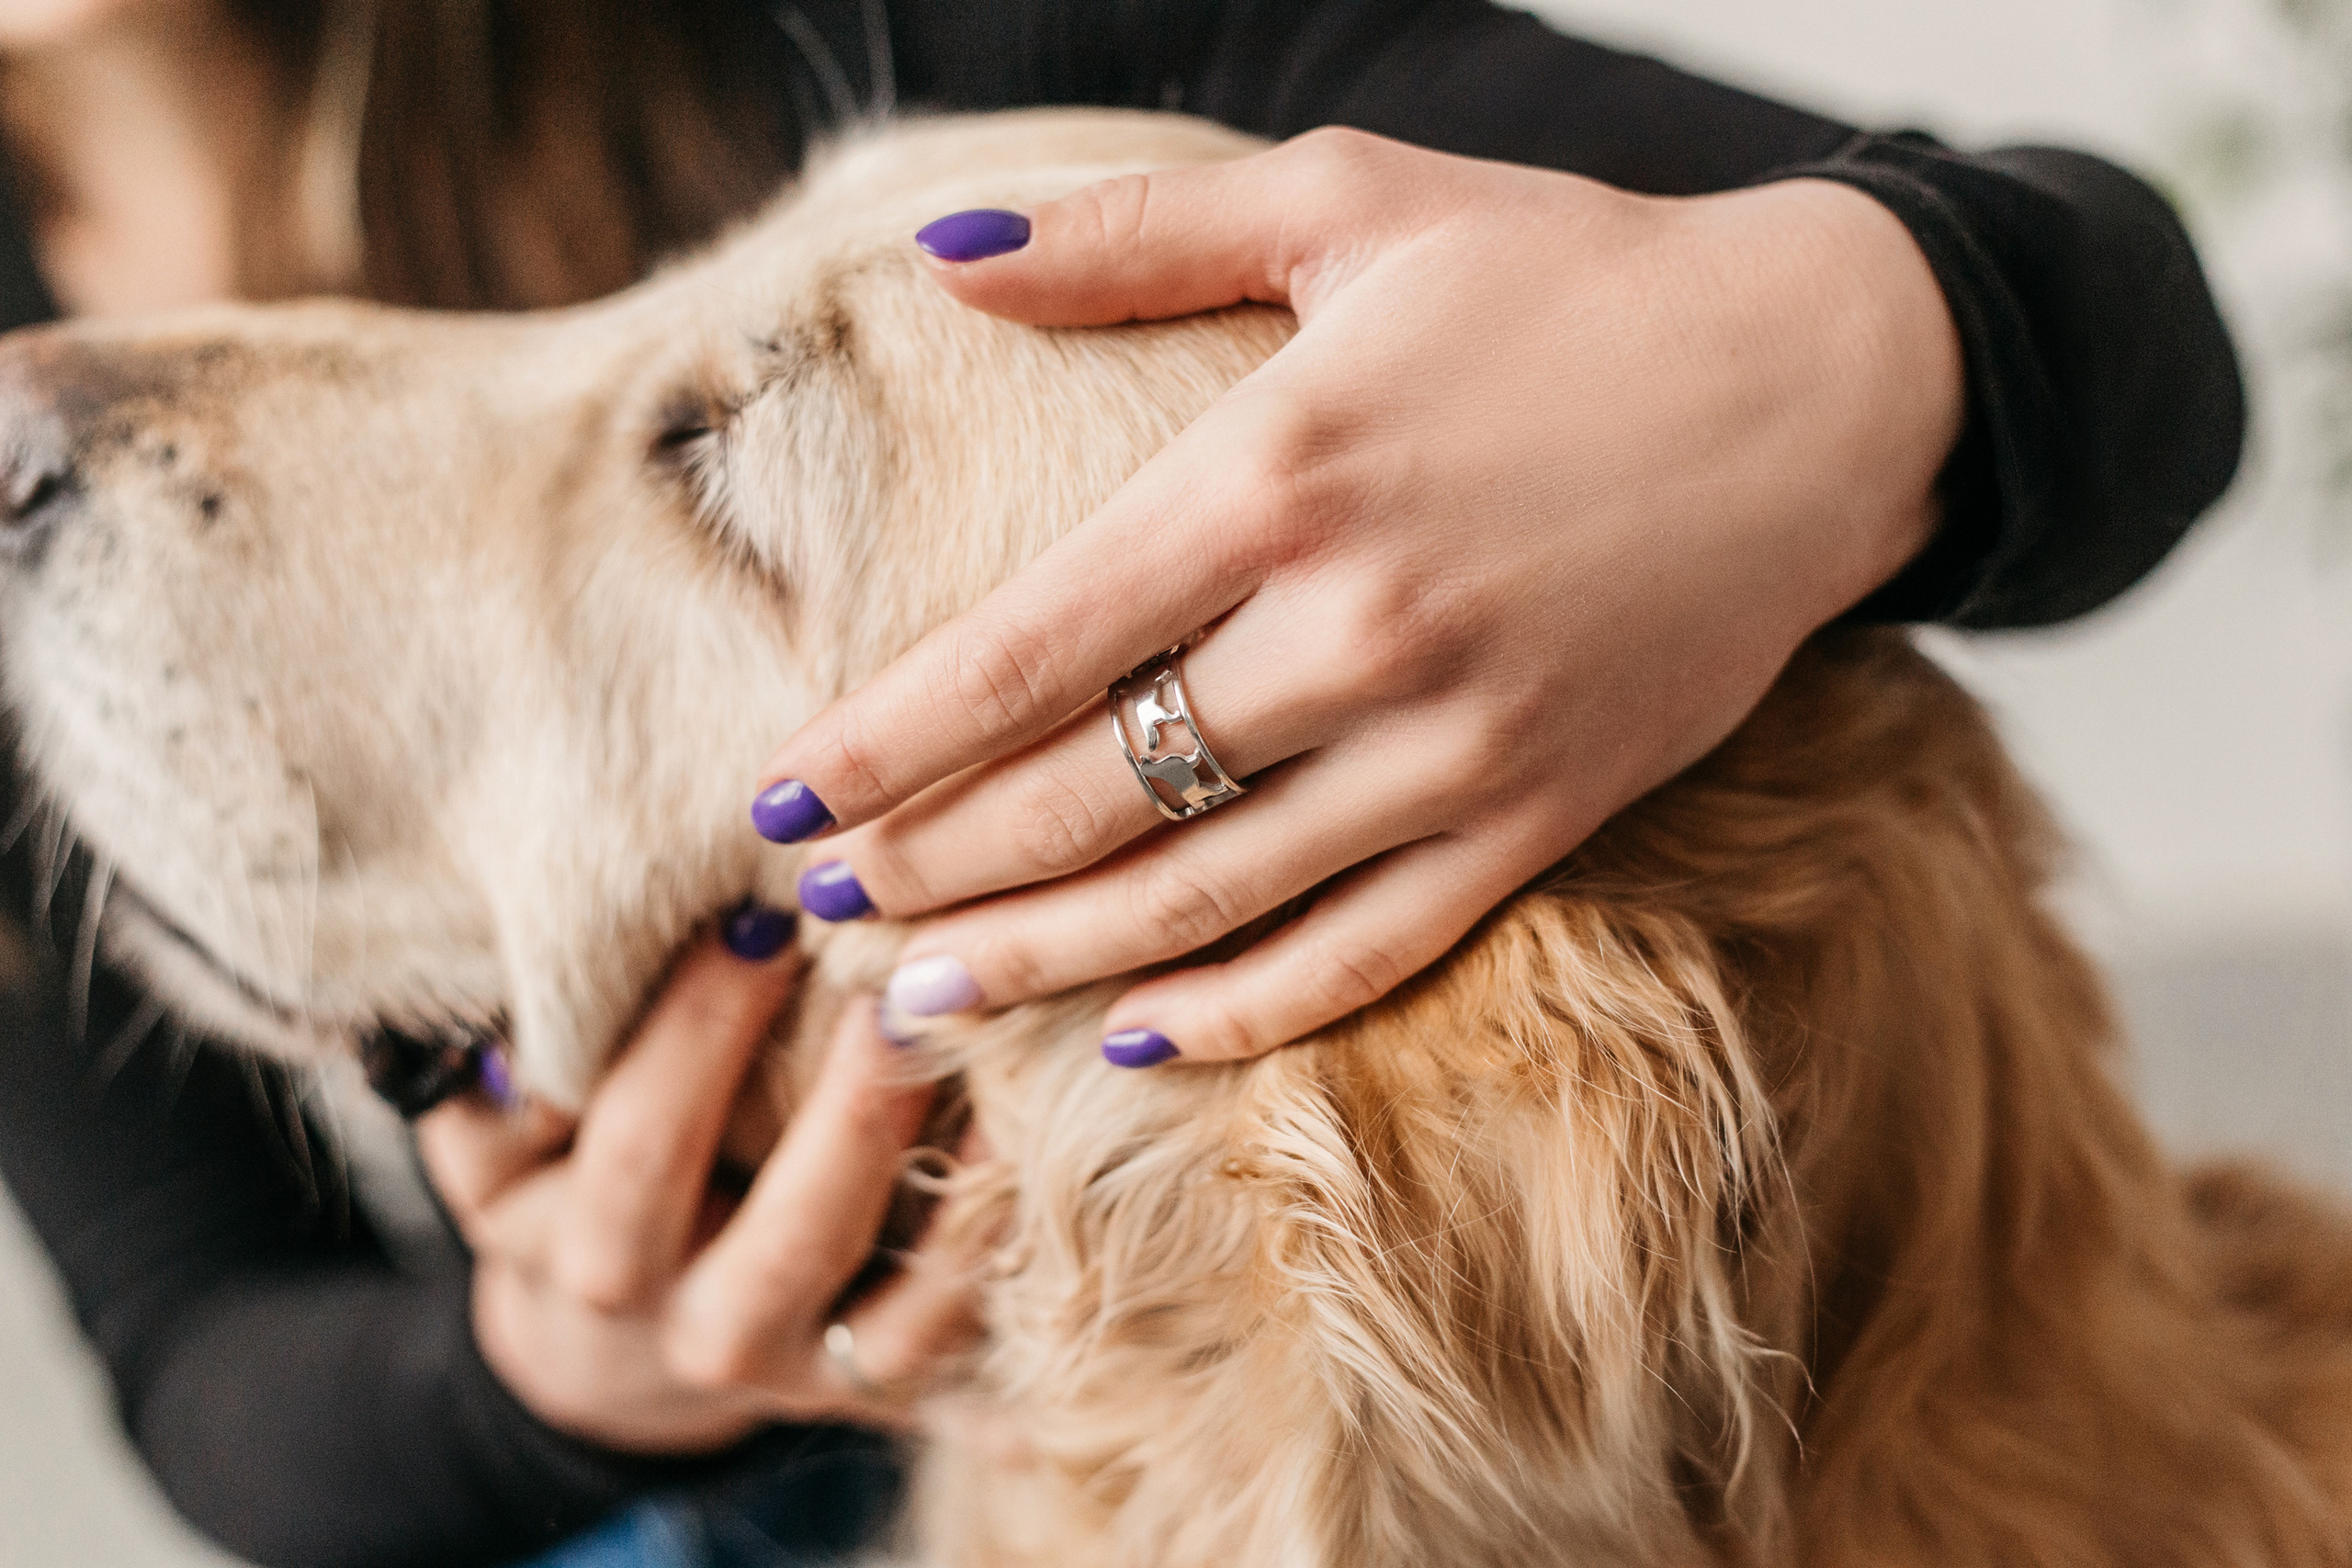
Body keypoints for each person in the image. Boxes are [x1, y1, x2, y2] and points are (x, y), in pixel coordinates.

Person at [0, 3, 2241, 1568]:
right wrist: (556, 1369)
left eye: (718, 472)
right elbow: (205, 1352)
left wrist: (1852, 352)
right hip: (720, 1438)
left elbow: (2100, 299)